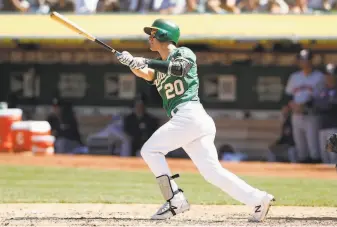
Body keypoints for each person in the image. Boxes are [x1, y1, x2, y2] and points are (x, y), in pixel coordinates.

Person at [116, 19, 275, 222]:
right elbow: (146, 73)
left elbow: (178, 69)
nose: (150, 38)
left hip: (190, 115)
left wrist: (143, 60)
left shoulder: (184, 53)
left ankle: (174, 199)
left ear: (164, 36)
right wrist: (130, 62)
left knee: (150, 150)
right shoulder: (159, 67)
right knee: (212, 172)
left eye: (153, 34)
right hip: (192, 121)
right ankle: (258, 199)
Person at [284, 49, 325, 163]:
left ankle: (316, 175)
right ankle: (303, 175)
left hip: (312, 115)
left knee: (314, 148)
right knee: (300, 149)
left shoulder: (319, 76)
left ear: (312, 61)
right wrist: (290, 105)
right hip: (296, 115)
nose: (305, 62)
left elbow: (321, 96)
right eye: (302, 60)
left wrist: (304, 106)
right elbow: (289, 95)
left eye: (307, 60)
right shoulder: (294, 76)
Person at [313, 63, 337, 163]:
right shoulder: (323, 89)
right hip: (322, 126)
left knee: (333, 158)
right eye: (327, 75)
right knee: (325, 158)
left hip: (334, 127)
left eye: (331, 74)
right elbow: (316, 104)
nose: (329, 77)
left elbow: (331, 106)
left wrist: (325, 105)